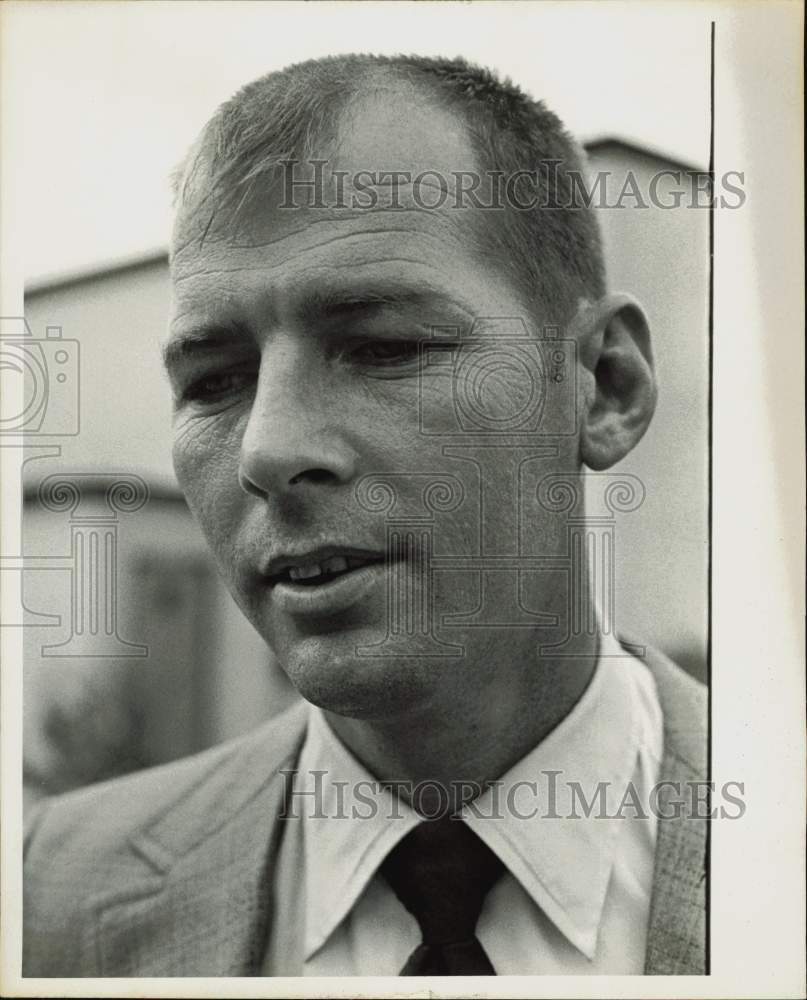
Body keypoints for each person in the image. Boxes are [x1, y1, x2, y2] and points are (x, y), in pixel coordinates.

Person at [23, 54, 706, 978]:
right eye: (214, 381)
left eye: (383, 347)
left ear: (603, 387)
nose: (266, 450)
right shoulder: (52, 893)